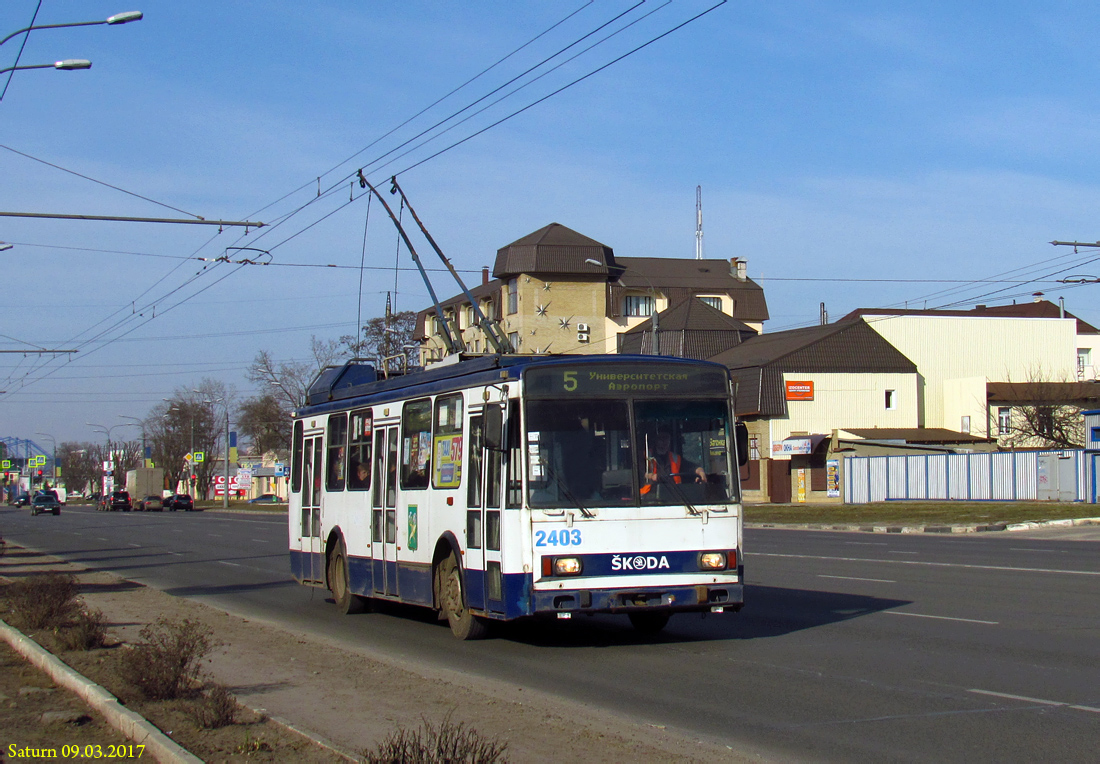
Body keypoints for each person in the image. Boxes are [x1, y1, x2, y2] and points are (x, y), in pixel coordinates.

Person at [641, 431, 705, 496]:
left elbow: (690, 467)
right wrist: (650, 476)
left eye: (667, 438)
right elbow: (639, 473)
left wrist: (700, 471)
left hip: (674, 496)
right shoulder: (645, 456)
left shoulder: (675, 458)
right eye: (662, 438)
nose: (664, 442)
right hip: (649, 496)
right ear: (656, 440)